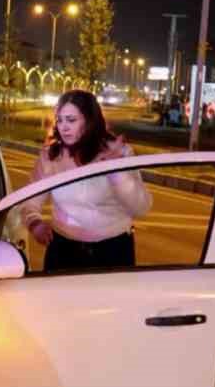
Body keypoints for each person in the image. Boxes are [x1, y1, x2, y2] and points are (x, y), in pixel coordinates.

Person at [20, 90, 150, 271]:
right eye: (60, 120)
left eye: (71, 120)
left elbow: (141, 207)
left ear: (89, 121)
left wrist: (117, 174)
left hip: (113, 252)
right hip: (63, 251)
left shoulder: (117, 152)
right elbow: (29, 201)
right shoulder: (51, 156)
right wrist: (34, 223)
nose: (64, 127)